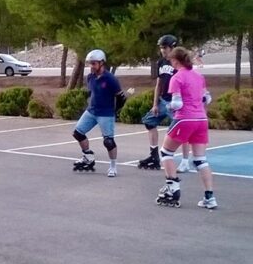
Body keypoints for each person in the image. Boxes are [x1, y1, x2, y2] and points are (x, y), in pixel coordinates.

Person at [155, 47, 216, 209]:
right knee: (200, 160)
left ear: (175, 61)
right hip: (201, 119)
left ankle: (172, 187)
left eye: (171, 61)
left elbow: (177, 103)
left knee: (165, 153)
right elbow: (207, 98)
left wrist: (168, 106)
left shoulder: (177, 77)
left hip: (184, 119)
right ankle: (209, 197)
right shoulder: (198, 76)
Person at [138, 35, 192, 172]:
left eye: (165, 48)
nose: (163, 50)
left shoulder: (180, 64)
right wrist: (155, 104)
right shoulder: (161, 63)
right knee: (149, 122)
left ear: (172, 47)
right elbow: (159, 84)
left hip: (177, 103)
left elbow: (187, 82)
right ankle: (154, 156)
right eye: (161, 48)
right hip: (163, 101)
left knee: (183, 131)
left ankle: (185, 161)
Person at [71, 49, 128, 177]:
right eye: (90, 63)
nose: (91, 66)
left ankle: (113, 166)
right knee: (78, 133)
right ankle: (88, 156)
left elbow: (121, 97)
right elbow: (93, 92)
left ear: (102, 63)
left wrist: (116, 111)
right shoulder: (90, 76)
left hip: (106, 114)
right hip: (91, 111)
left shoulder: (110, 79)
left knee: (108, 141)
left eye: (94, 63)